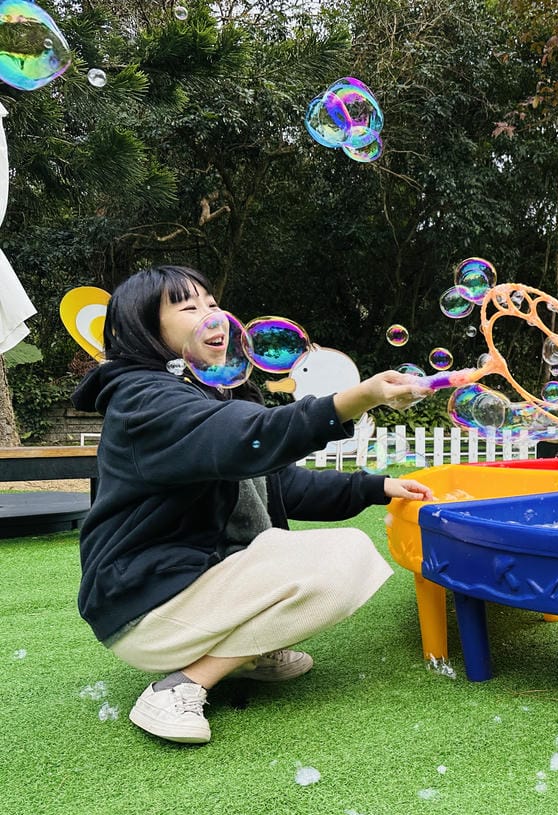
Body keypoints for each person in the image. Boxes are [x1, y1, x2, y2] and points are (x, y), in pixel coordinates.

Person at [72, 265, 434, 745]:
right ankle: (181, 685)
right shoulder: (144, 401)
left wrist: (376, 487)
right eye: (188, 307)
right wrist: (356, 399)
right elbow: (251, 436)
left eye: (213, 303)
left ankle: (250, 653)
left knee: (331, 552)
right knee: (348, 556)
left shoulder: (201, 394)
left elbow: (282, 484)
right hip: (144, 601)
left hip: (189, 583)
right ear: (146, 329)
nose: (211, 316)